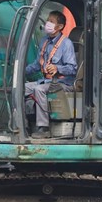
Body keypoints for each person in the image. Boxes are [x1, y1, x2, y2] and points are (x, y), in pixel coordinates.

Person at [25, 10, 77, 139]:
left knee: (39, 89)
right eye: (48, 20)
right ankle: (23, 124)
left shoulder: (66, 44)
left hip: (63, 83)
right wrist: (20, 72)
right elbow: (37, 64)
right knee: (20, 88)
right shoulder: (44, 41)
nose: (48, 23)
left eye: (52, 21)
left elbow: (73, 68)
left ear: (59, 27)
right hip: (47, 81)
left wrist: (57, 68)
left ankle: (44, 129)